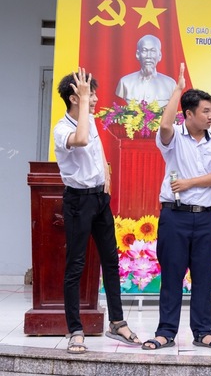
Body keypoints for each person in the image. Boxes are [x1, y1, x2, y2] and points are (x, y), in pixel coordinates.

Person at [142, 63, 211, 351]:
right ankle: (165, 332)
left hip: (206, 218)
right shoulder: (173, 138)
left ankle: (203, 332)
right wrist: (178, 89)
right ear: (189, 114)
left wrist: (190, 182)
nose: (210, 116)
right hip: (175, 216)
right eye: (205, 111)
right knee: (172, 275)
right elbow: (165, 126)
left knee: (204, 277)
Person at [53, 68, 141, 354]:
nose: (95, 99)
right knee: (76, 266)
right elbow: (80, 140)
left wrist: (106, 177)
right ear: (74, 98)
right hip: (78, 202)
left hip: (100, 199)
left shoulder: (89, 120)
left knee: (111, 261)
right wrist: (83, 104)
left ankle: (117, 322)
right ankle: (75, 330)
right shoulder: (62, 128)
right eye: (90, 94)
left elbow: (96, 148)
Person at [115, 34, 176, 106]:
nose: (148, 56)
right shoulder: (125, 82)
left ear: (159, 55)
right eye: (144, 50)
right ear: (138, 54)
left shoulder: (170, 84)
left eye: (153, 51)